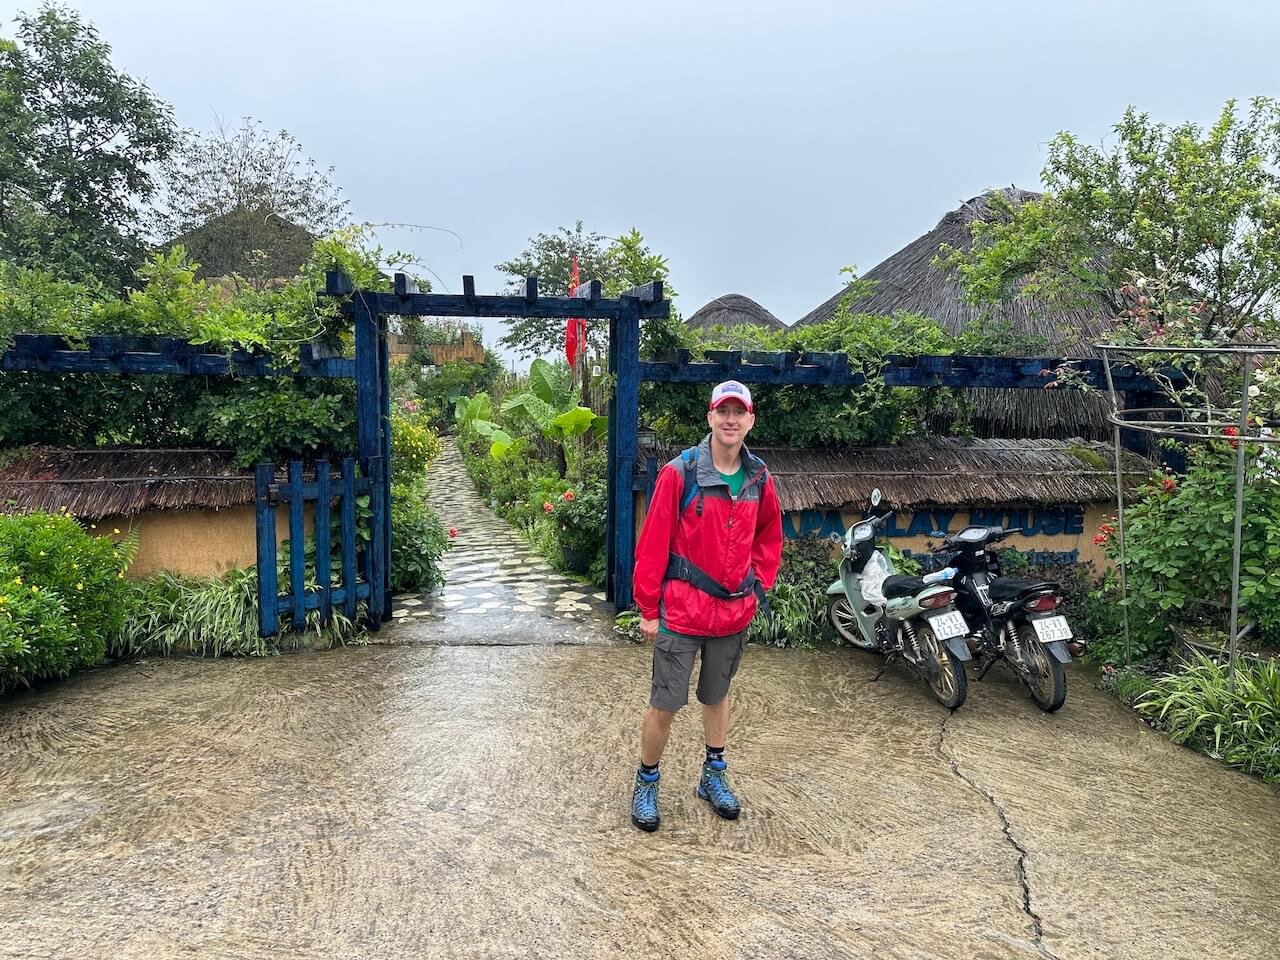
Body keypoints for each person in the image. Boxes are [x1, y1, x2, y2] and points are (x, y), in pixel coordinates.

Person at [628, 379, 783, 832]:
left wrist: (758, 584)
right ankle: (647, 783)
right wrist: (648, 608)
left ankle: (712, 776)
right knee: (665, 702)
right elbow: (652, 543)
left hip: (732, 613)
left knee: (717, 697)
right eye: (723, 411)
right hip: (682, 611)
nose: (731, 420)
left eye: (739, 412)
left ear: (750, 420)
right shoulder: (681, 473)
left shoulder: (759, 478)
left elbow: (769, 537)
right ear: (710, 417)